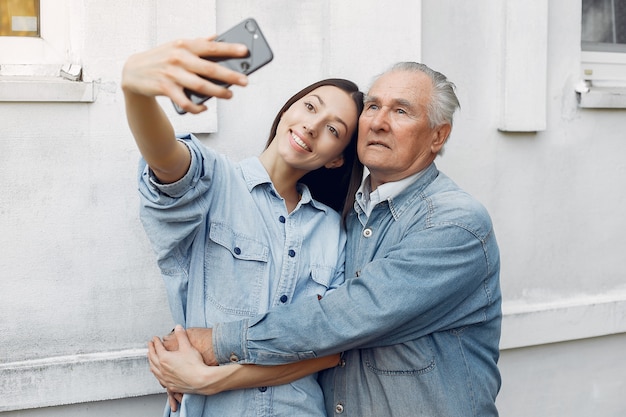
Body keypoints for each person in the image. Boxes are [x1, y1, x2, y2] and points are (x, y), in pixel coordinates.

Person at [150, 61, 502, 417]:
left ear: (437, 136)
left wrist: (210, 346)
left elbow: (344, 319)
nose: (379, 122)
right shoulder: (347, 220)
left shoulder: (455, 224)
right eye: (374, 106)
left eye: (400, 111)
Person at [122, 35, 365, 416]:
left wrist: (208, 379)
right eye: (309, 107)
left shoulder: (333, 231)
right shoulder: (215, 182)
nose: (313, 126)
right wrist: (136, 92)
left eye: (334, 130)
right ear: (287, 111)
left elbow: (329, 349)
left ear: (337, 160)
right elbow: (166, 160)